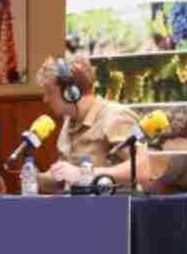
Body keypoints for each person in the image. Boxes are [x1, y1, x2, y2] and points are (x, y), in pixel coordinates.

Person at [36, 55, 150, 193]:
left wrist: (84, 174)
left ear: (71, 92)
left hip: (115, 210)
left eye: (49, 92)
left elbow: (142, 170)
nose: (45, 99)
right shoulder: (69, 122)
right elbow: (67, 178)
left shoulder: (116, 116)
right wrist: (36, 178)